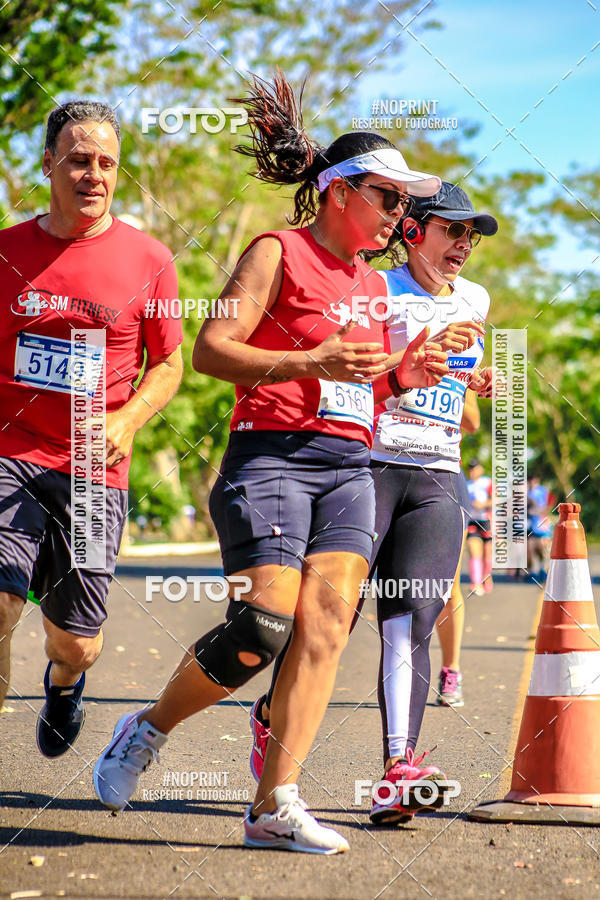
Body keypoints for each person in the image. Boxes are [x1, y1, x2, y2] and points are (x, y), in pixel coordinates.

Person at [93, 71, 448, 854]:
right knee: (262, 628)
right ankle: (145, 731)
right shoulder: (275, 251)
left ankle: (270, 805)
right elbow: (214, 349)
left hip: (350, 467)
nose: (400, 216)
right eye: (389, 199)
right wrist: (309, 360)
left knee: (325, 631)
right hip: (271, 460)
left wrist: (402, 376)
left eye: (403, 205)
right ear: (337, 194)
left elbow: (363, 382)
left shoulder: (372, 286)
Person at [248, 181, 498, 827]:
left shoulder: (475, 300)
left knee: (412, 616)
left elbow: (465, 404)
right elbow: (355, 374)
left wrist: (472, 385)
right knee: (324, 619)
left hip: (438, 473)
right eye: (453, 230)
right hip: (368, 463)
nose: (464, 246)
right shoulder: (376, 289)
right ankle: (273, 716)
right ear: (412, 231)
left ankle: (398, 770)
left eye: (472, 236)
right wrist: (406, 365)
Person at [0, 101, 183, 755]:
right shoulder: (7, 251)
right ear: (48, 163)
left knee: (76, 640)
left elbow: (167, 363)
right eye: (79, 159)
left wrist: (129, 417)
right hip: (10, 452)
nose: (93, 173)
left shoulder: (149, 259)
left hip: (92, 469)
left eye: (106, 162)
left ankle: (64, 682)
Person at [434, 389, 481, 708]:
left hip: (443, 471)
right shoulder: (384, 339)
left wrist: (451, 381)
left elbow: (472, 421)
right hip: (381, 465)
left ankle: (451, 671)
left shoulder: (460, 347)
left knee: (447, 585)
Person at [466, 458, 493, 595]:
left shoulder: (487, 482)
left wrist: (483, 504)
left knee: (487, 554)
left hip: (486, 521)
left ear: (480, 469)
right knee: (474, 550)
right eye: (470, 469)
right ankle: (476, 583)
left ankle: (486, 578)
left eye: (475, 468)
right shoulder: (466, 484)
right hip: (472, 521)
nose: (472, 472)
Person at [527, 475, 555, 582]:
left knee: (543, 549)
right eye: (530, 480)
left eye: (534, 480)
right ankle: (534, 571)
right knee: (532, 549)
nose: (532, 482)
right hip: (531, 526)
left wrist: (545, 510)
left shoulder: (543, 490)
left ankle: (544, 572)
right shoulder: (526, 492)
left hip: (543, 525)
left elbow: (551, 501)